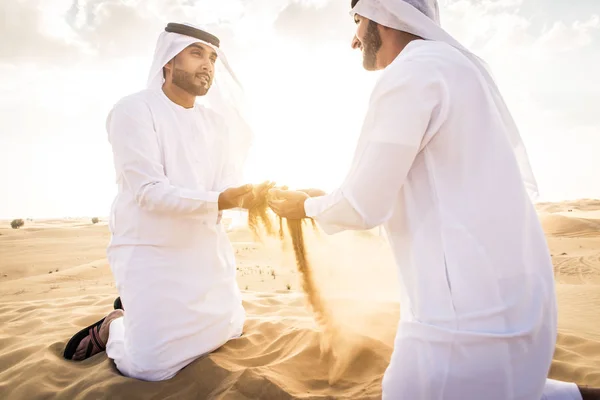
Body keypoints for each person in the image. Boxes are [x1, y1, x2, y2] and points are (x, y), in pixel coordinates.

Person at [268, 1, 599, 399]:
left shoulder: (410, 74)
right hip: (522, 307)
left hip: (462, 319)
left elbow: (363, 205)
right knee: (510, 389)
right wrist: (328, 199)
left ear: (382, 15)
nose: (354, 40)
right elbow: (418, 182)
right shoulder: (456, 69)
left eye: (356, 21)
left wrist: (302, 207)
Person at [63, 22, 272, 381]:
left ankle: (142, 315)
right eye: (196, 53)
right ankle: (115, 326)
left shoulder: (216, 125)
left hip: (203, 250)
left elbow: (225, 186)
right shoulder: (134, 110)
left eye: (212, 58)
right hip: (151, 249)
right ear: (168, 61)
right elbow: (148, 192)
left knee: (230, 330)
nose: (207, 65)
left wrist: (258, 197)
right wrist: (221, 198)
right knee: (151, 367)